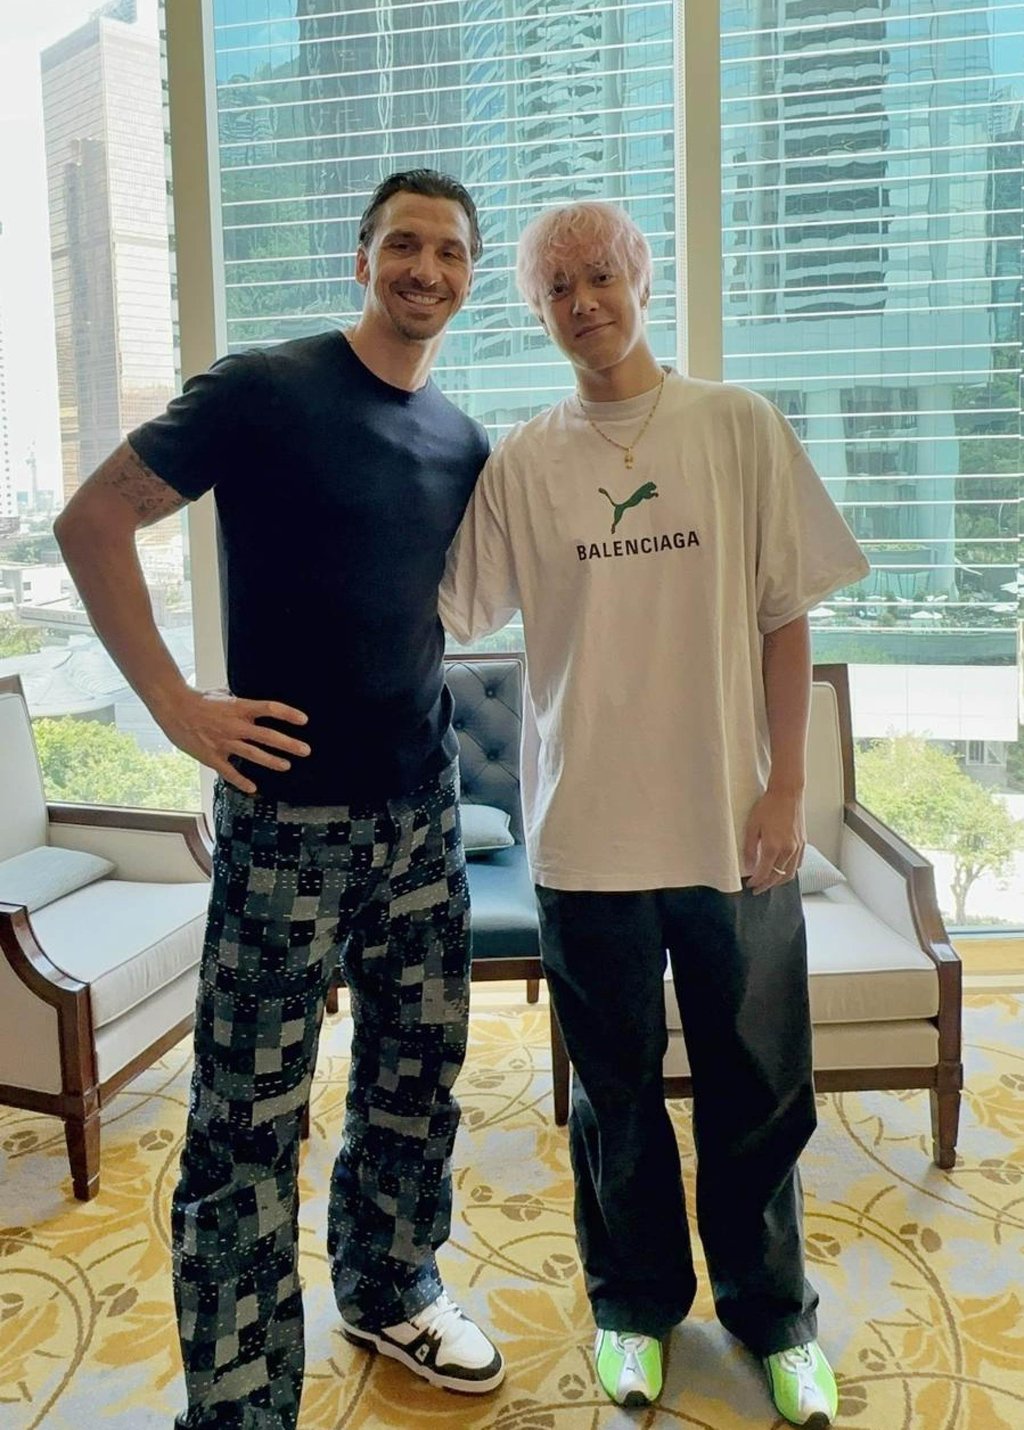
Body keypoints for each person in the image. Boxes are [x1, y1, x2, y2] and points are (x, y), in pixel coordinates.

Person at [54, 168, 505, 1429]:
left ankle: (389, 1281)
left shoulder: (462, 439)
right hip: (284, 824)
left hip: (419, 815)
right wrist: (175, 706)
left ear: (471, 278)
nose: (427, 268)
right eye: (404, 244)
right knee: (248, 1117)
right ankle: (244, 1400)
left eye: (452, 252)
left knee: (418, 1076)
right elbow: (91, 522)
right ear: (361, 259)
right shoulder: (264, 389)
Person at [439, 201, 869, 1427]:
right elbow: (447, 603)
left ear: (641, 278)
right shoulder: (525, 459)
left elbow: (787, 615)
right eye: (556, 287)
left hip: (732, 826)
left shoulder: (735, 425)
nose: (583, 301)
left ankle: (771, 1312)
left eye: (599, 276)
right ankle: (631, 1305)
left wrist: (786, 785)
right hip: (583, 836)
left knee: (758, 1083)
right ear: (536, 310)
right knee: (612, 1093)